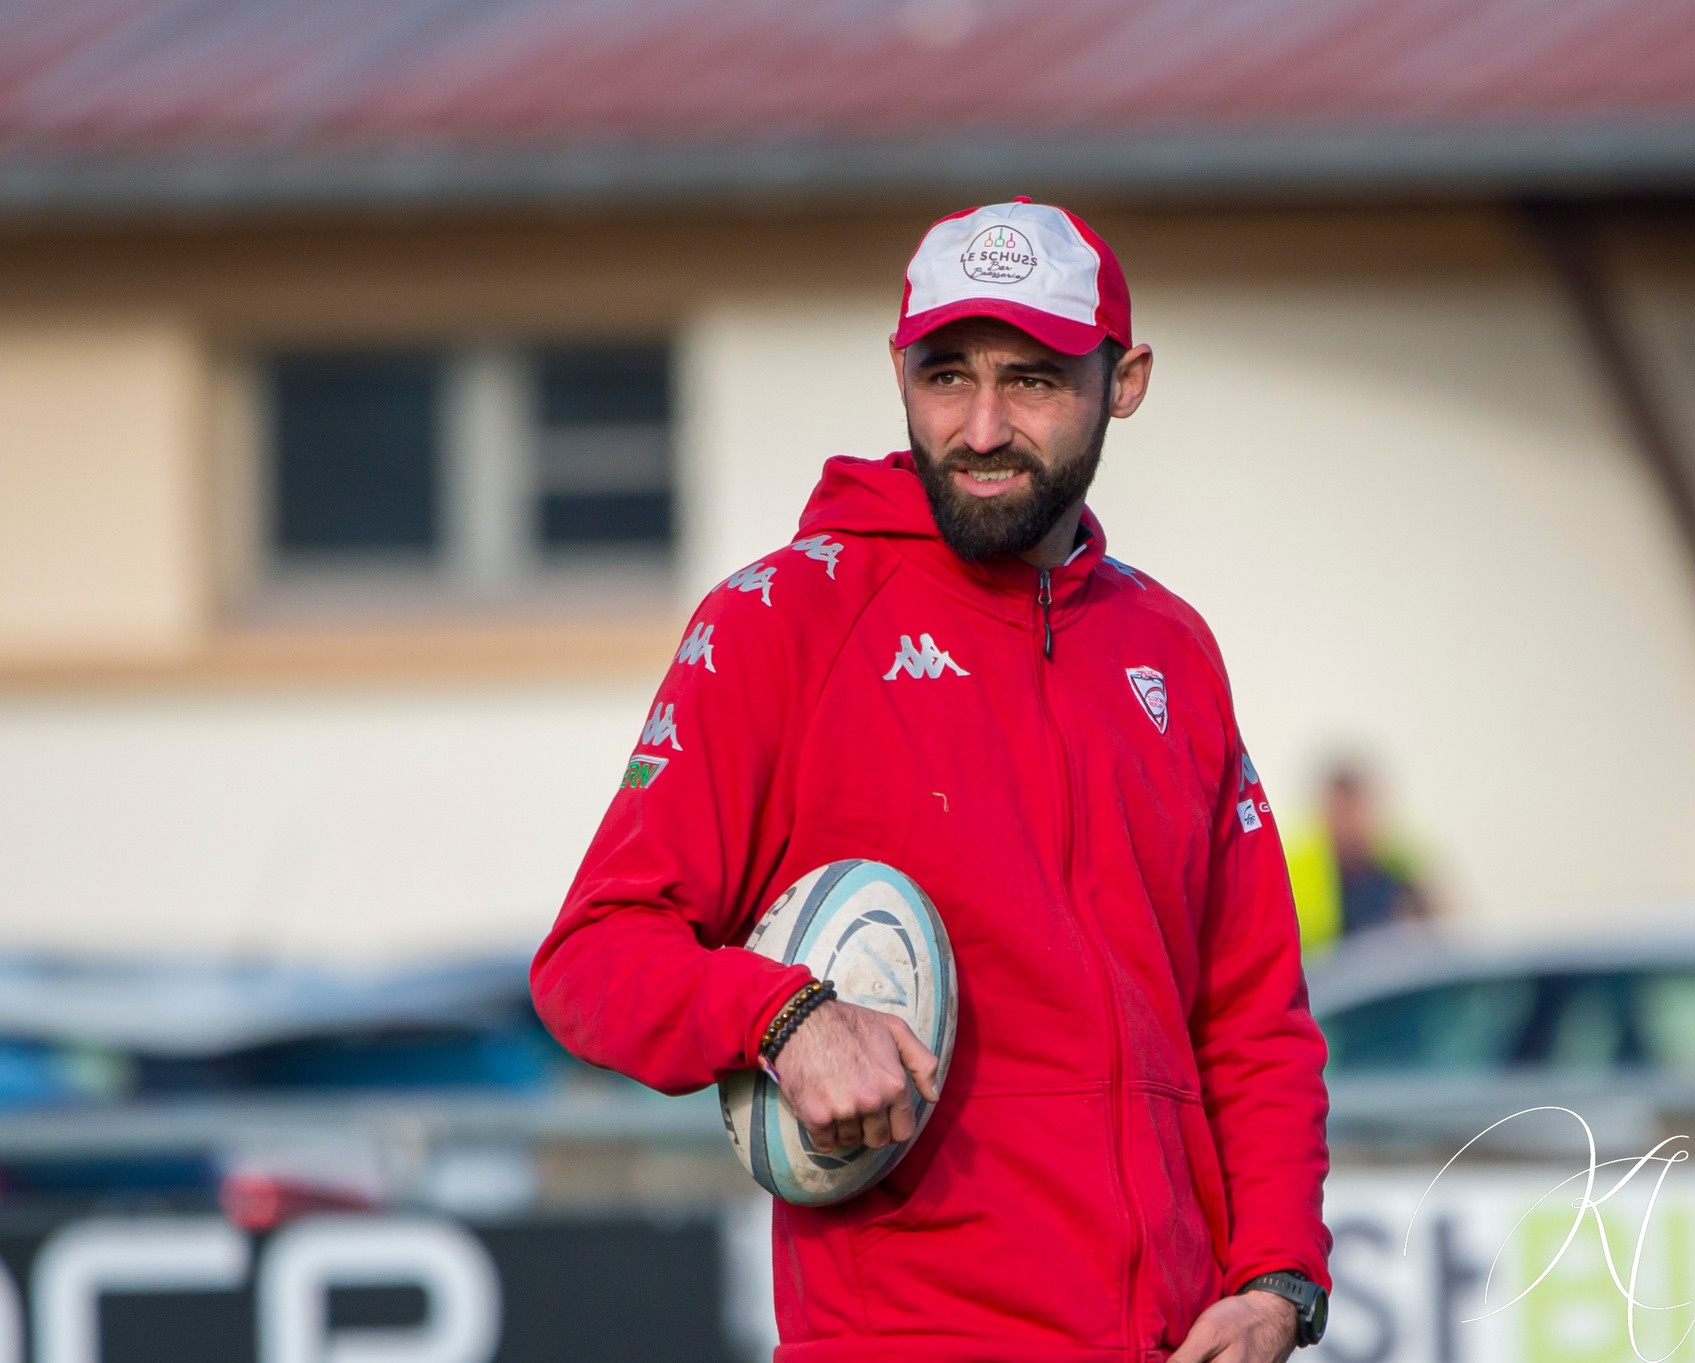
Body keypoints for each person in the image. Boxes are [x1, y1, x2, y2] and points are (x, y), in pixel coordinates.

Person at [532, 198, 1331, 1362]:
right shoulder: (781, 620)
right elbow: (591, 957)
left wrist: (1274, 1278)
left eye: (1035, 380)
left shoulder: (1172, 650)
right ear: (898, 374)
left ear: (1127, 379)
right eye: (945, 376)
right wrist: (783, 1017)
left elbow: (1251, 1017)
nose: (983, 425)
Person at [1288, 760, 1435, 955]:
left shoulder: (1397, 865)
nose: (1347, 824)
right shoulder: (1298, 874)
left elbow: (1438, 928)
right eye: (1340, 813)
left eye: (1353, 811)